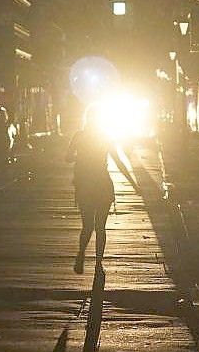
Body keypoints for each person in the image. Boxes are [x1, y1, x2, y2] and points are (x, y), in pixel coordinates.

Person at [66, 105, 138, 275]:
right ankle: (99, 262)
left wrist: (80, 156)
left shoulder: (79, 136)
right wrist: (133, 184)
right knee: (101, 227)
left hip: (84, 185)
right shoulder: (105, 138)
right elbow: (118, 161)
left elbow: (67, 158)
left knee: (87, 226)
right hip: (103, 185)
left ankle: (82, 253)